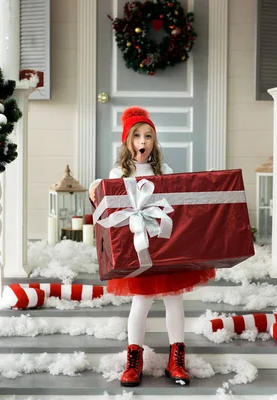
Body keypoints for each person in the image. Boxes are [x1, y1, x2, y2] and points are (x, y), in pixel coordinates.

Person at [89, 106, 215, 387]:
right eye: (137, 136)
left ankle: (177, 359)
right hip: (138, 246)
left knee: (174, 300)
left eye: (148, 136)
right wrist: (98, 185)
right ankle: (134, 360)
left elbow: (175, 200)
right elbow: (108, 196)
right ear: (128, 141)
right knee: (141, 302)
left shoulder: (164, 170)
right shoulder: (119, 171)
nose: (142, 142)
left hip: (165, 243)